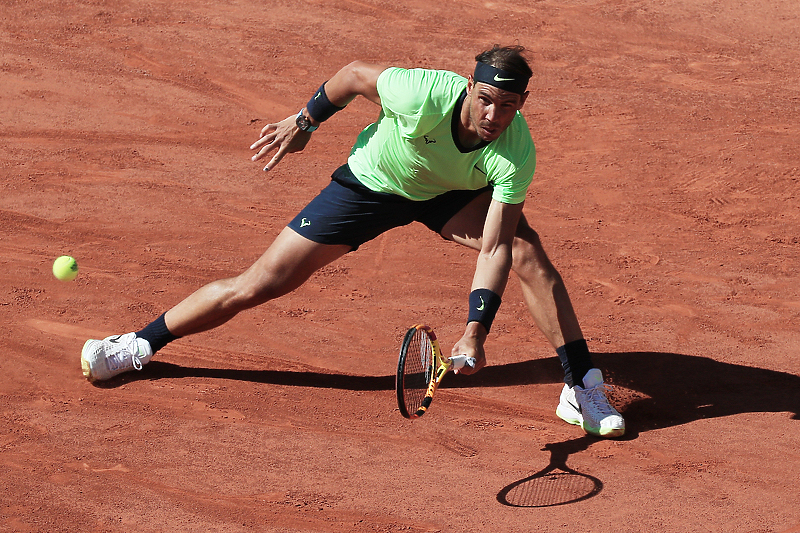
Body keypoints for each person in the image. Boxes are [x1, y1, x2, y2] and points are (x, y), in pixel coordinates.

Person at [81, 45, 625, 438]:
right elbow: (351, 76)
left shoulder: (514, 153)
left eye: (508, 106)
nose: (493, 116)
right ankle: (138, 345)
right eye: (486, 100)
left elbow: (494, 248)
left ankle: (581, 385)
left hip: (450, 197)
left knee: (529, 254)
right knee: (264, 281)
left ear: (521, 103)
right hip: (373, 183)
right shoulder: (418, 92)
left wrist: (472, 332)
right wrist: (305, 121)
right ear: (468, 86)